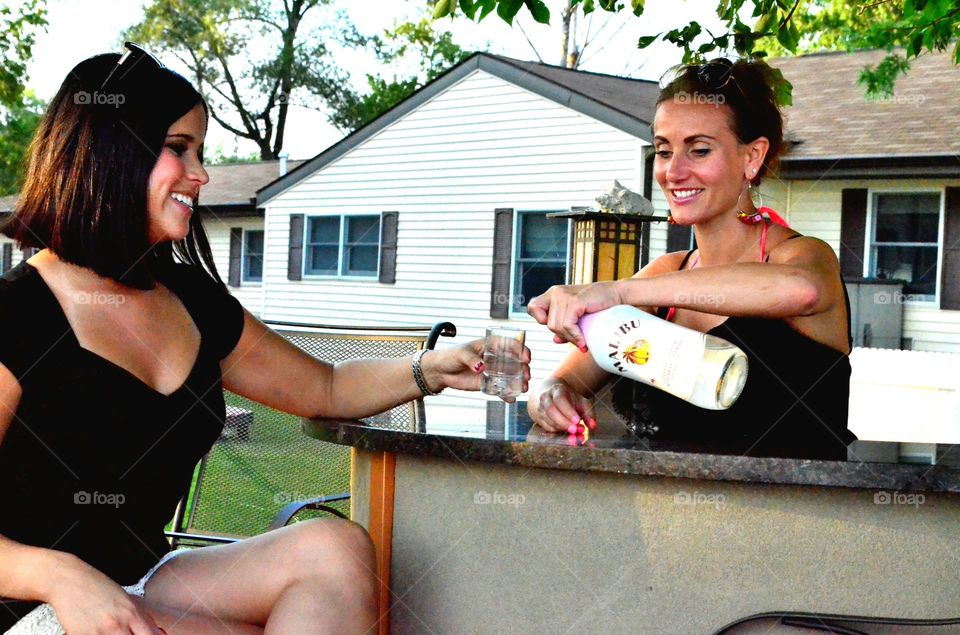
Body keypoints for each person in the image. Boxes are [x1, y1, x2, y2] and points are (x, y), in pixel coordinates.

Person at [0, 44, 530, 635]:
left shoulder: (189, 300)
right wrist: (59, 575)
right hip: (31, 602)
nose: (200, 175)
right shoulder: (16, 314)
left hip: (142, 579)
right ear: (110, 152)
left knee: (332, 548)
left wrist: (431, 369)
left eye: (200, 151)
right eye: (179, 149)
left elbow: (325, 385)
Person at [526, 58, 855, 460]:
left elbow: (802, 291)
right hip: (667, 515)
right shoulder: (665, 276)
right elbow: (564, 381)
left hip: (799, 515)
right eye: (664, 152)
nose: (673, 171)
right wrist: (549, 396)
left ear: (752, 157)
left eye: (699, 150)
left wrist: (614, 292)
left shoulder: (803, 255)